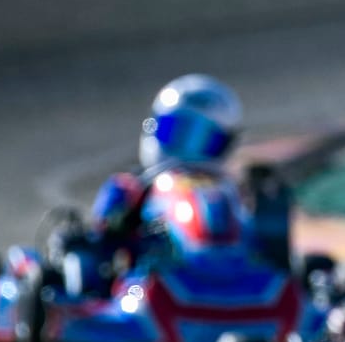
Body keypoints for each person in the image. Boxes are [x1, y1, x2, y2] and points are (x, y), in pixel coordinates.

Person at [60, 75, 246, 293]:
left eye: (202, 139)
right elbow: (100, 243)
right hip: (141, 289)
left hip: (229, 277)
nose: (184, 152)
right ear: (154, 128)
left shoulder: (233, 194)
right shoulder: (129, 190)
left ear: (224, 146)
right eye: (175, 133)